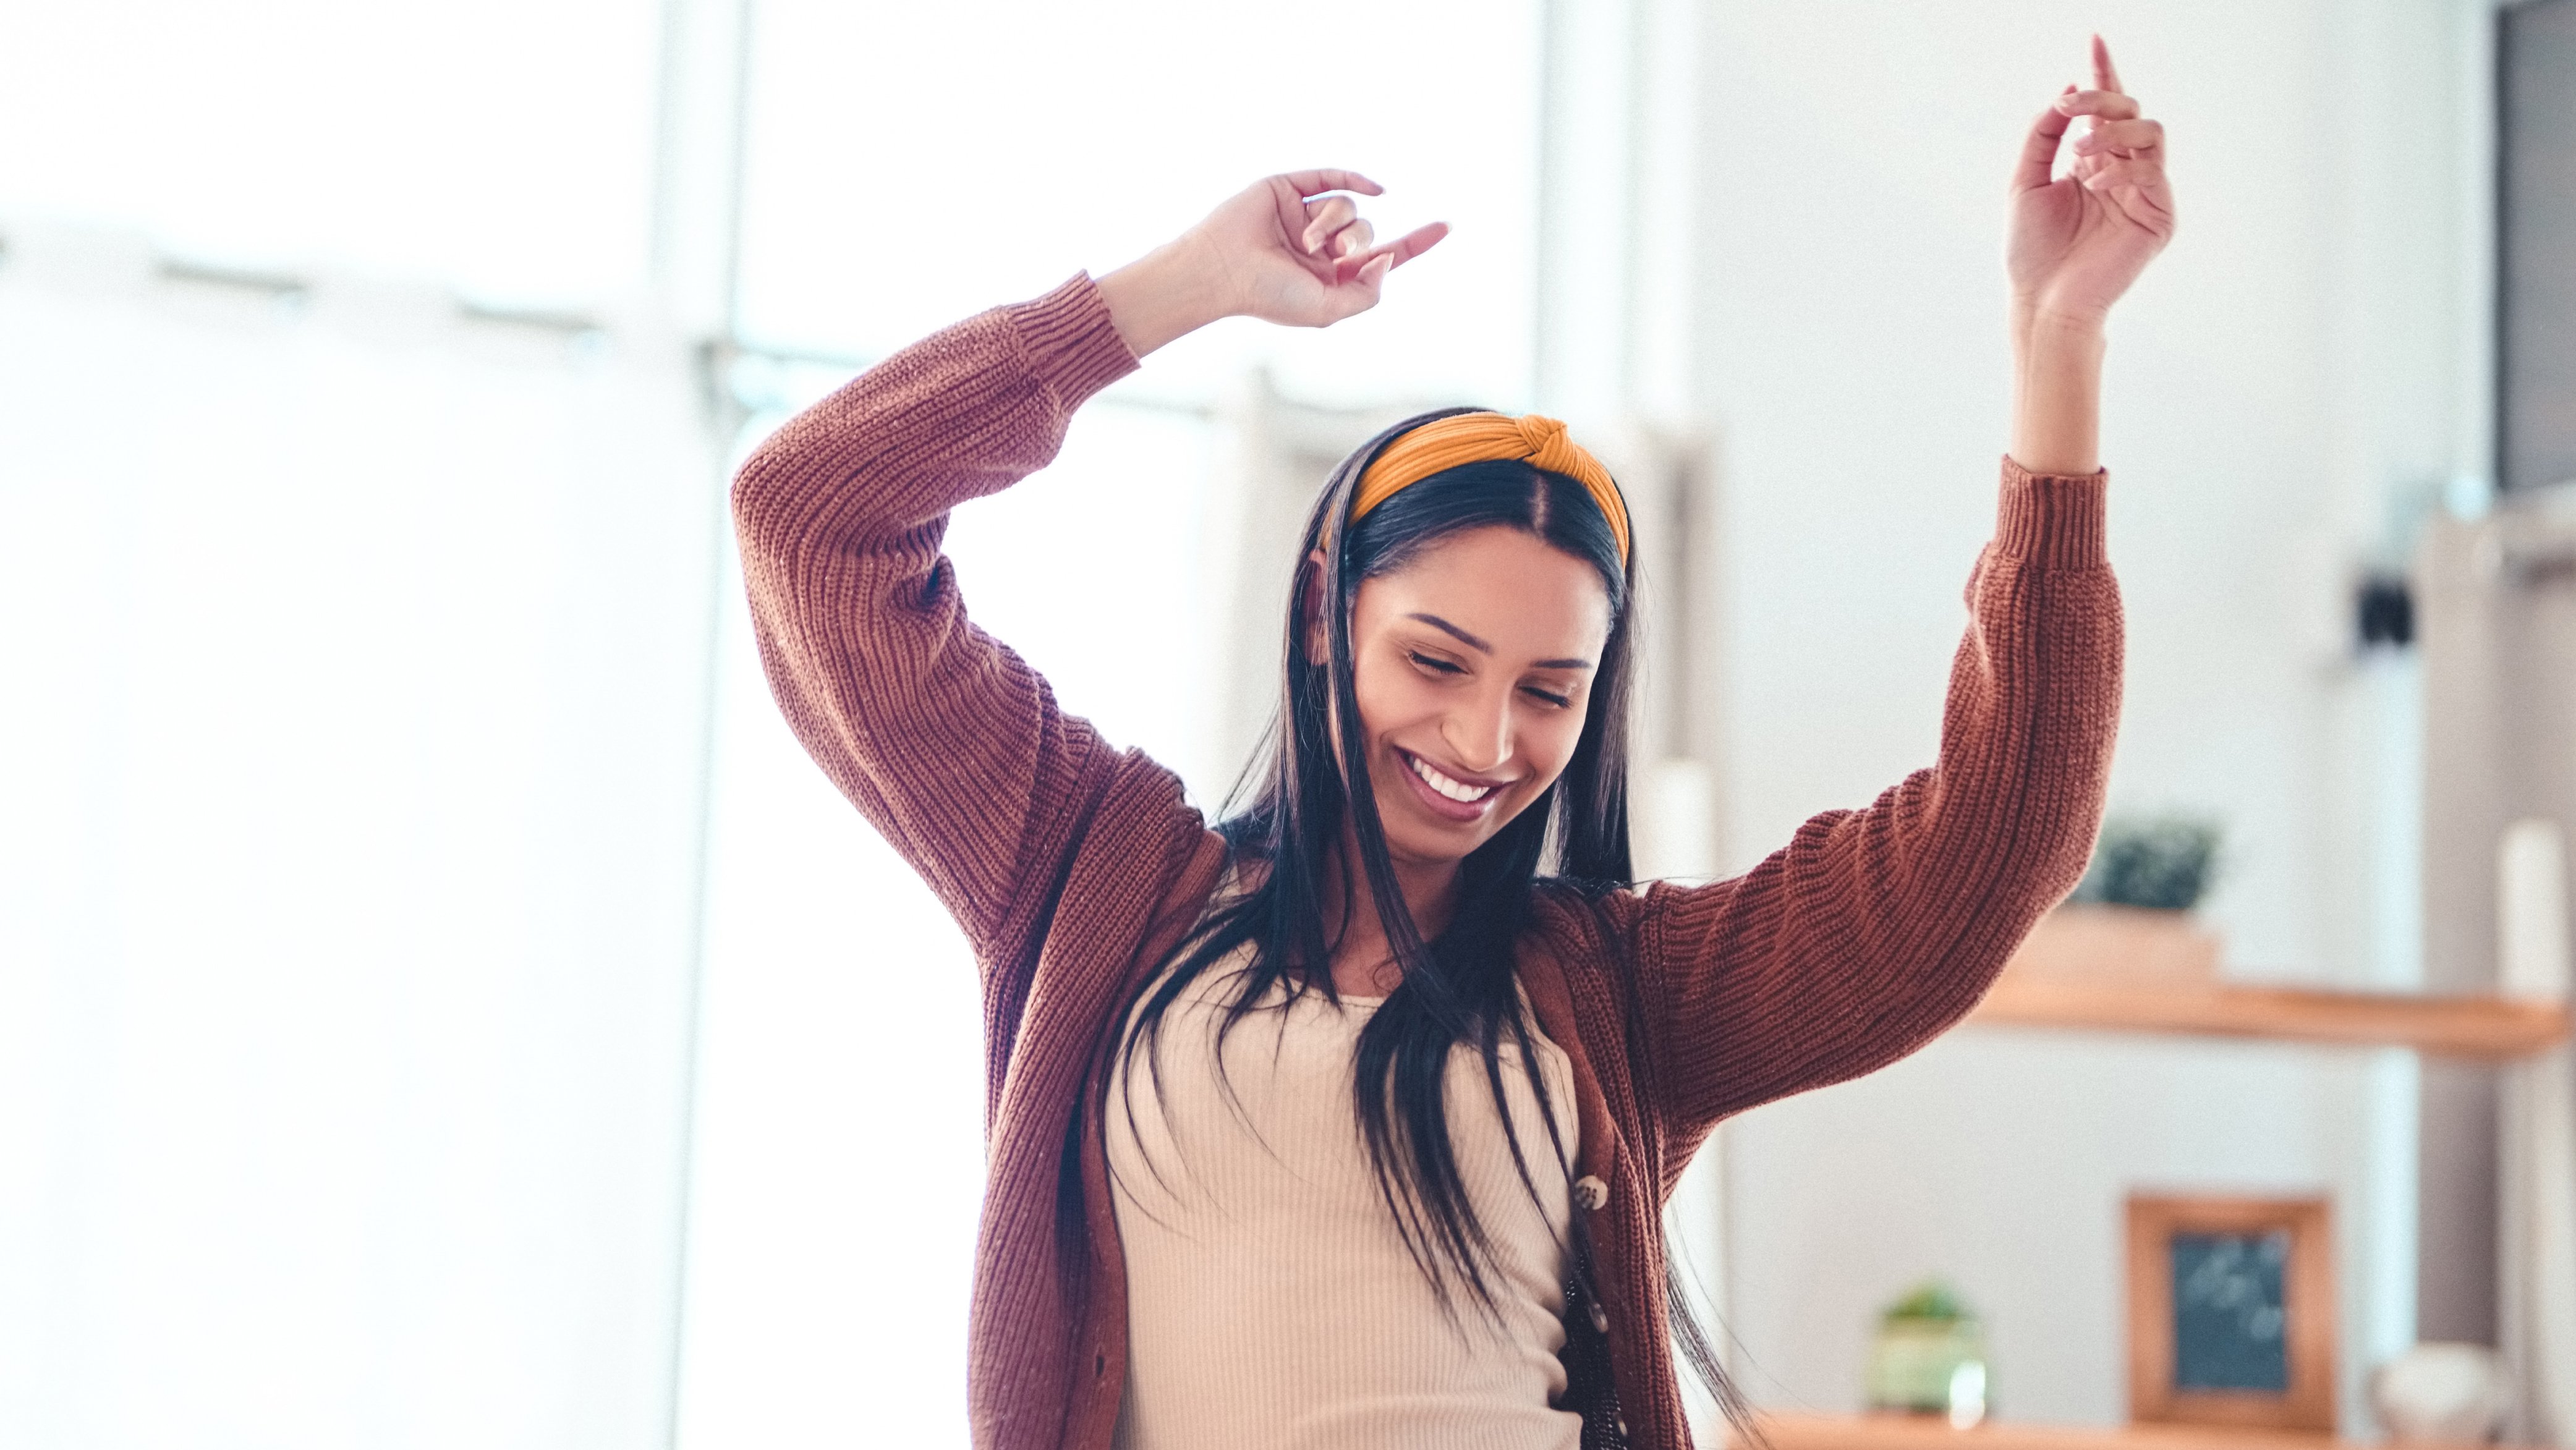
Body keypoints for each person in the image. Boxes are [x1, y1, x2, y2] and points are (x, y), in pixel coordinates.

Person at [730, 36, 2170, 1450]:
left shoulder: (1626, 997)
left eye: (1550, 691)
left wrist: (2060, 340)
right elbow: (812, 517)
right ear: (1320, 617)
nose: (1486, 739)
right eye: (1434, 661)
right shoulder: (1086, 875)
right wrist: (1181, 289)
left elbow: (1999, 837)